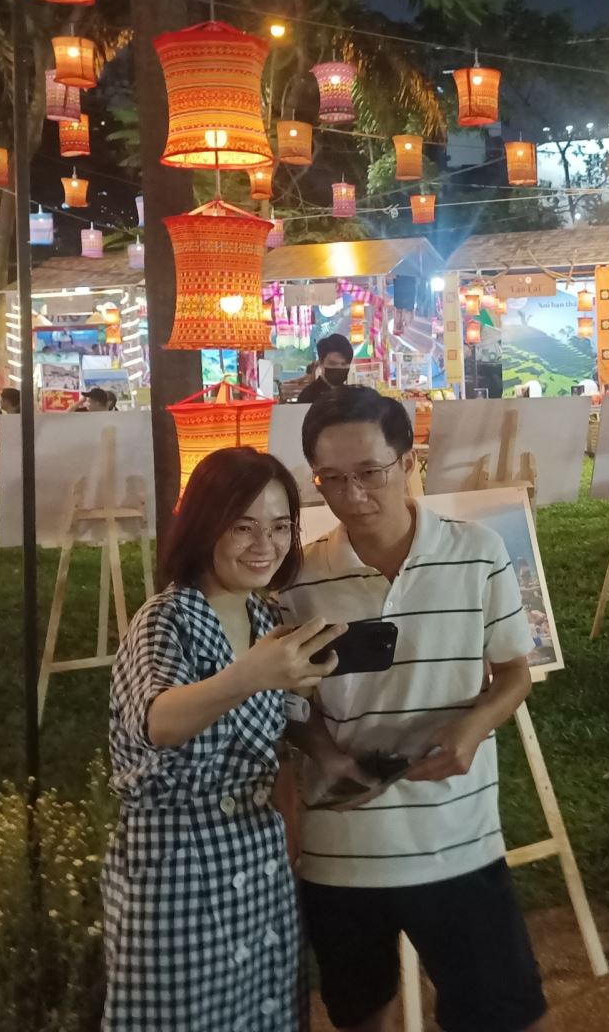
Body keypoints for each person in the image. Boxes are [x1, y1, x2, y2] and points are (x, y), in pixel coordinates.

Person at [281, 387, 545, 1032]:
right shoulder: (300, 580)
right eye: (331, 478)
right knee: (360, 1011)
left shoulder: (478, 552)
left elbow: (514, 673)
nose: (353, 495)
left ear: (408, 461)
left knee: (501, 1011)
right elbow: (290, 703)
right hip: (343, 843)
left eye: (370, 472)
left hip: (456, 835)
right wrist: (325, 753)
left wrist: (471, 729)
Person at [101, 447, 345, 1032]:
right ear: (205, 525)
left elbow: (272, 743)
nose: (266, 544)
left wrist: (309, 787)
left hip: (258, 862)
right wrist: (251, 675)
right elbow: (157, 721)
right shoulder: (166, 619)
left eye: (280, 526)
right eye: (243, 527)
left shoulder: (263, 620)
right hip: (178, 868)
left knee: (264, 1014)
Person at [295, 333, 354, 404]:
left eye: (344, 364)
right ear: (321, 363)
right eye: (333, 364)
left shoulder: (352, 395)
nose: (339, 367)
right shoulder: (308, 396)